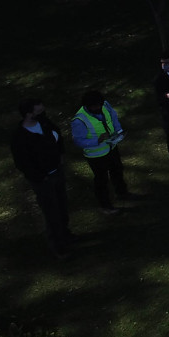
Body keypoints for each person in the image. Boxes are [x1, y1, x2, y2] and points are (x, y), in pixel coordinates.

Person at [10, 99, 73, 257]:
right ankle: (58, 247)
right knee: (52, 213)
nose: (43, 114)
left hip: (56, 172)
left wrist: (61, 155)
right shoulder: (20, 138)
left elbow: (57, 136)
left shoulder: (45, 123)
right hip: (43, 180)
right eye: (39, 112)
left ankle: (65, 235)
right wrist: (40, 177)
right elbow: (23, 163)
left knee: (62, 206)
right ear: (29, 114)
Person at [69, 89, 133, 214]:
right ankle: (106, 206)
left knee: (117, 171)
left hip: (111, 147)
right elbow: (78, 141)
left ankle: (122, 193)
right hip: (96, 155)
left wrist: (118, 132)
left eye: (100, 104)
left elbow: (113, 117)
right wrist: (96, 141)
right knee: (101, 180)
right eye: (95, 106)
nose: (98, 108)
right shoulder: (79, 120)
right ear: (88, 106)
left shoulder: (105, 105)